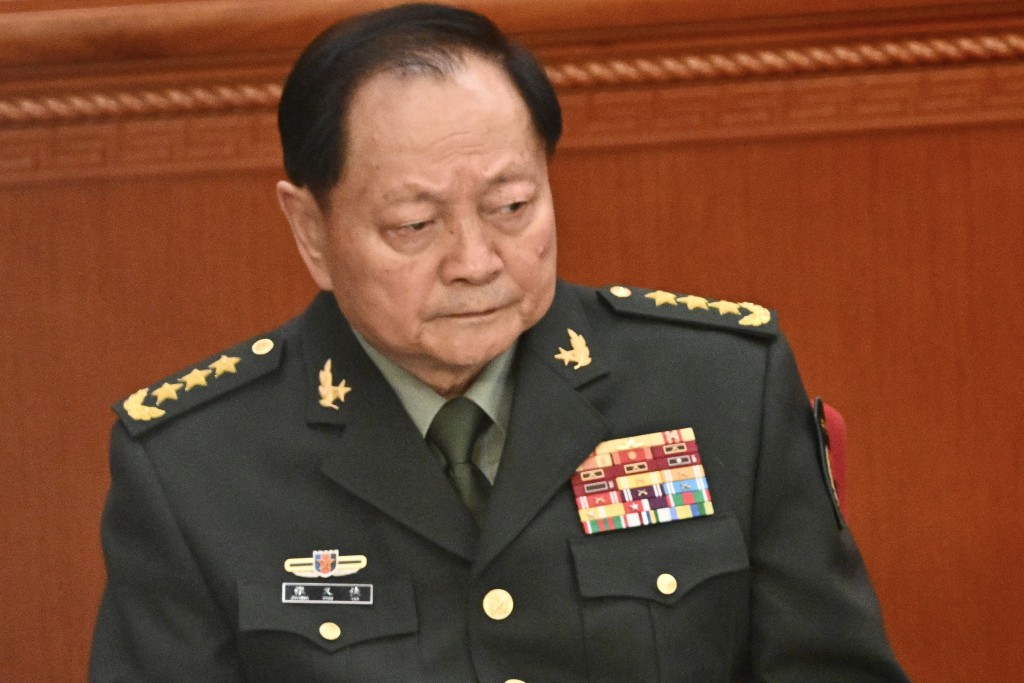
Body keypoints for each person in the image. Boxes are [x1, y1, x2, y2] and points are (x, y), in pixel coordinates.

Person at [90, 4, 908, 681]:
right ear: (311, 230)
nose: (476, 263)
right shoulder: (194, 468)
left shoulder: (722, 385)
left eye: (511, 206)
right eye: (415, 225)